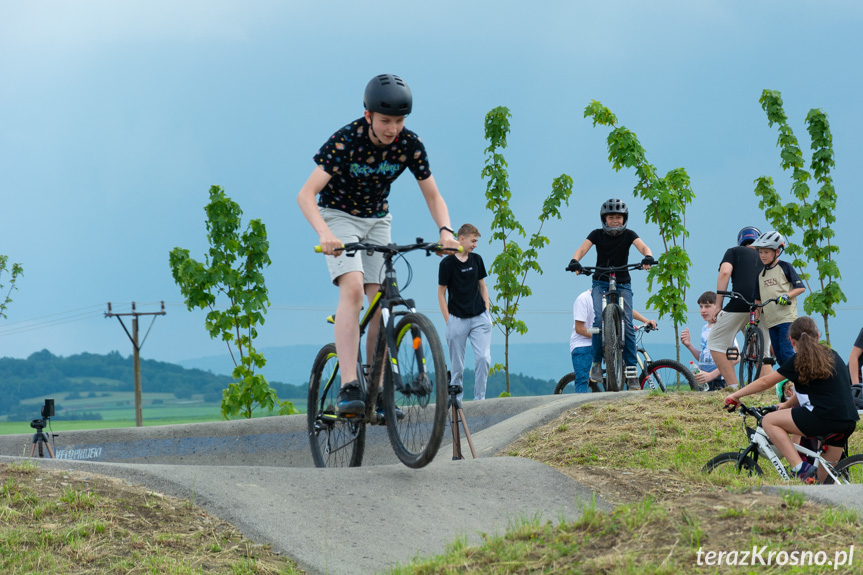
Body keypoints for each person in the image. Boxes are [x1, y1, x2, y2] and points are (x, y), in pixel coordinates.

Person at [297, 74, 460, 416]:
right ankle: (348, 386)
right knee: (354, 290)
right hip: (338, 217)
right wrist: (324, 233)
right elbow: (306, 195)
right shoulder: (345, 141)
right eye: (386, 121)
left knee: (380, 300)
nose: (392, 129)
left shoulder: (410, 145)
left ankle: (377, 388)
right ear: (368, 115)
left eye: (399, 121)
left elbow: (433, 194)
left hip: (378, 221)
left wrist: (446, 230)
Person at [725, 316, 859, 483]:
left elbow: (766, 381)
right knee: (825, 485)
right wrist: (787, 404)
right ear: (817, 336)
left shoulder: (798, 361)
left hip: (823, 418)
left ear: (791, 341)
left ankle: (800, 468)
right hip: (848, 421)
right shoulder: (833, 355)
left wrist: (736, 395)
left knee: (768, 421)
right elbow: (819, 390)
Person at [566, 198, 655, 390]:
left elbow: (643, 247)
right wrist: (575, 260)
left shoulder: (629, 234)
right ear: (604, 219)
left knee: (628, 325)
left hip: (623, 282)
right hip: (600, 281)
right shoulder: (596, 234)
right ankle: (597, 363)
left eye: (618, 217)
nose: (615, 221)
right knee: (599, 320)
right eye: (611, 217)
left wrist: (647, 256)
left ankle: (631, 370)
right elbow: (582, 249)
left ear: (624, 219)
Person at [705, 226, 770, 391]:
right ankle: (772, 392)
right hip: (763, 305)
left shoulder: (733, 251)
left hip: (740, 302)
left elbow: (725, 273)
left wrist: (718, 304)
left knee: (715, 342)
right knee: (761, 353)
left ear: (740, 241)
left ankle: (733, 388)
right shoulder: (766, 255)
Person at [438, 224, 492, 401]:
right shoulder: (446, 263)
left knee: (483, 359)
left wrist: (487, 312)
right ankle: (457, 401)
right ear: (462, 239)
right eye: (473, 241)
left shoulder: (477, 259)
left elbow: (482, 286)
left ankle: (479, 400)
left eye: (477, 241)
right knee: (457, 366)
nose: (475, 244)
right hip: (457, 319)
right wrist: (449, 320)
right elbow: (441, 293)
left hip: (479, 317)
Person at [569, 289, 657, 393]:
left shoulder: (611, 297)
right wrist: (603, 336)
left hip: (607, 342)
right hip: (583, 343)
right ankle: (580, 403)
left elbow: (626, 310)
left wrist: (646, 321)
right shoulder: (583, 299)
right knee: (582, 378)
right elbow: (579, 329)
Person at [751, 231, 806, 366]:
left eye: (766, 252)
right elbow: (757, 301)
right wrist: (754, 321)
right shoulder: (760, 274)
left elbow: (800, 287)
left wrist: (787, 295)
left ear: (777, 251)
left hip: (786, 318)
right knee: (778, 355)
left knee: (787, 352)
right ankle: (787, 383)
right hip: (771, 321)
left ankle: (795, 383)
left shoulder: (785, 267)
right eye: (760, 252)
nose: (762, 255)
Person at [680, 291, 739, 391]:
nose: (703, 310)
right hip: (704, 381)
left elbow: (736, 358)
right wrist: (689, 345)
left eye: (707, 306)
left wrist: (712, 375)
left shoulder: (723, 327)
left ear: (717, 307)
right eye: (701, 307)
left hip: (720, 381)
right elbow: (703, 357)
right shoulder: (704, 329)